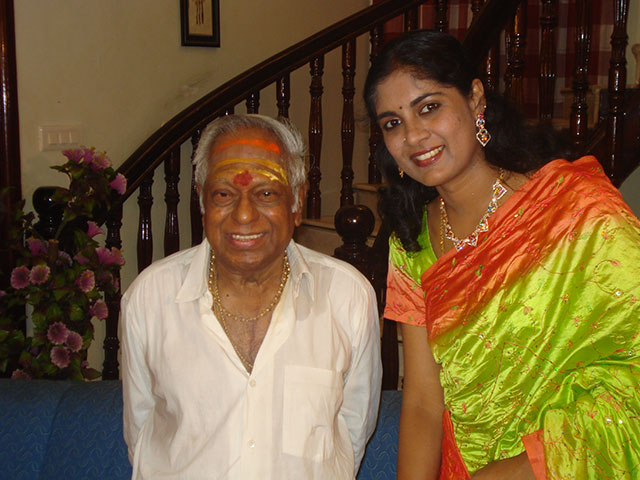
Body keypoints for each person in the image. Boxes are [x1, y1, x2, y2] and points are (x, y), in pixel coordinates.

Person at [364, 30, 640, 479]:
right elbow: (422, 401)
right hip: (466, 465)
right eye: (393, 123)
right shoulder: (411, 241)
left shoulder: (574, 208)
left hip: (574, 463)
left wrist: (524, 467)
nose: (413, 135)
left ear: (475, 99)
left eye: (429, 107)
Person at [121, 114, 382, 479]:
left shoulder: (348, 297)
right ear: (202, 200)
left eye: (266, 194)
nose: (244, 215)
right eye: (224, 194)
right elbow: (141, 432)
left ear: (297, 201)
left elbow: (352, 432)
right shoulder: (150, 298)